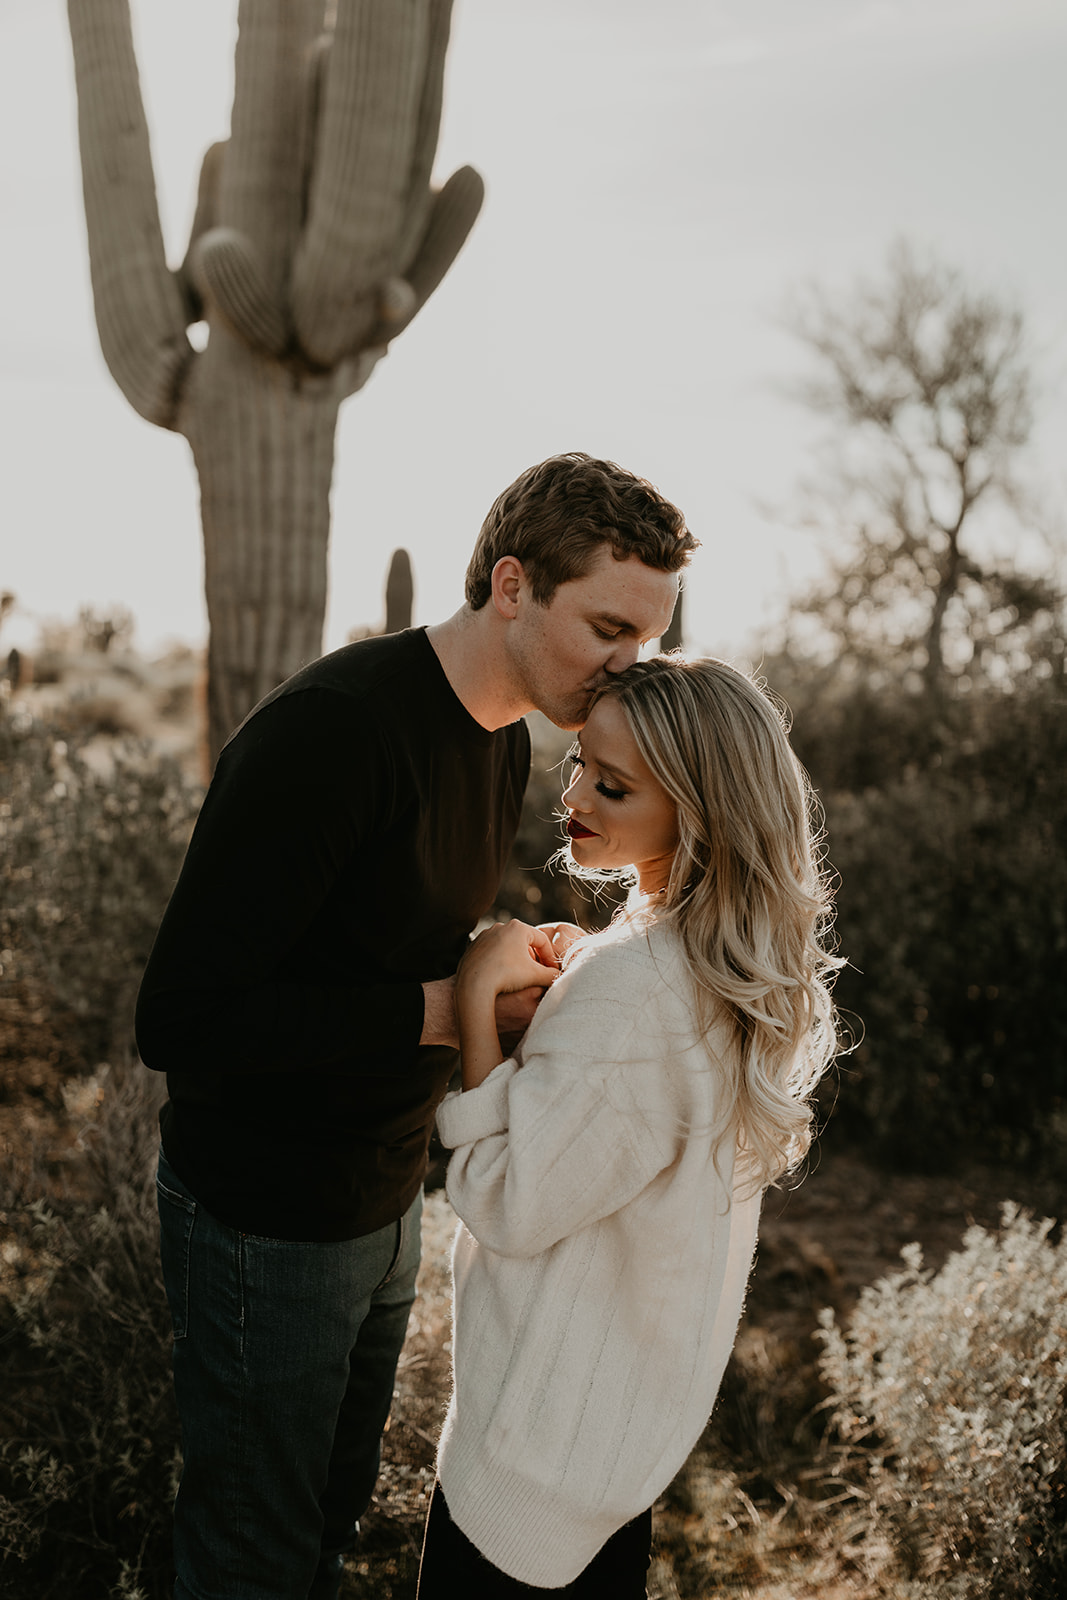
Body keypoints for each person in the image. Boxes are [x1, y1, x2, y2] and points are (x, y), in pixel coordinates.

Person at [134, 452, 696, 1600]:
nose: (622, 668)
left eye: (641, 639)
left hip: (387, 1199)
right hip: (265, 1217)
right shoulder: (333, 733)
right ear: (509, 586)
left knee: (324, 1523)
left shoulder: (499, 740)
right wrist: (446, 1005)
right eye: (605, 627)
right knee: (253, 1555)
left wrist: (500, 959)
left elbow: (383, 937)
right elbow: (181, 1016)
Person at [416, 654, 842, 1596]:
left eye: (613, 785)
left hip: (527, 1476)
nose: (574, 794)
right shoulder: (709, 963)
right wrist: (582, 978)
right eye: (577, 763)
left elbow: (505, 1202)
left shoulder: (636, 990)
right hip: (610, 1452)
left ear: (700, 811)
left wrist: (482, 993)